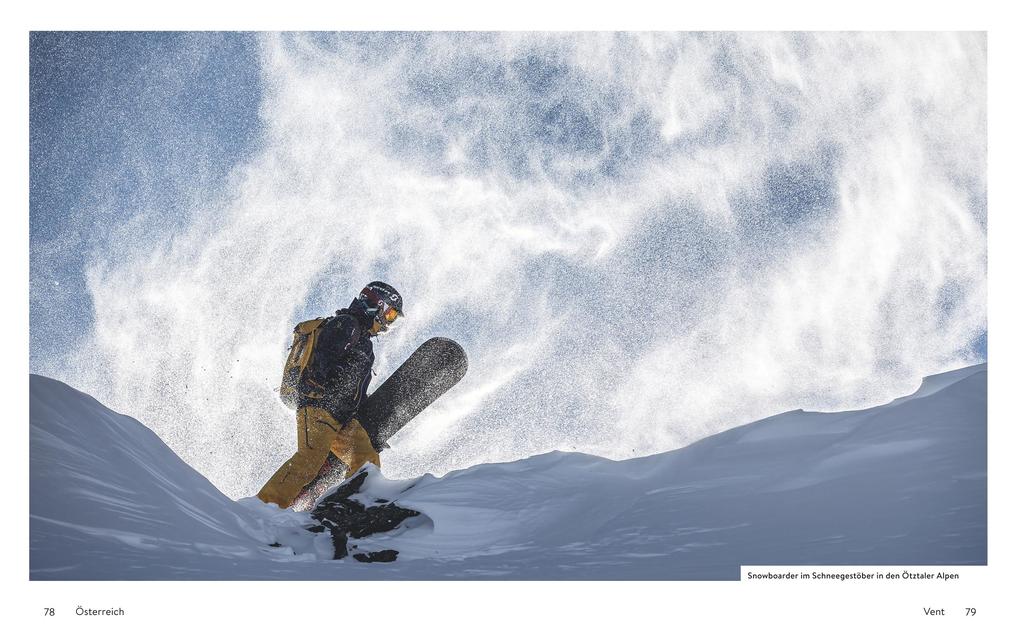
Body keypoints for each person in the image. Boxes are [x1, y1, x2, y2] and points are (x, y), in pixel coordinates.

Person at [257, 281, 404, 509]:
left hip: (341, 417)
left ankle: (354, 504)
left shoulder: (362, 341)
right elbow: (323, 359)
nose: (388, 323)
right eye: (390, 314)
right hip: (319, 407)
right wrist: (320, 387)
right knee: (309, 460)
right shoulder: (346, 324)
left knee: (367, 460)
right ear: (377, 305)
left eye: (392, 317)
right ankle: (263, 507)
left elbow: (352, 386)